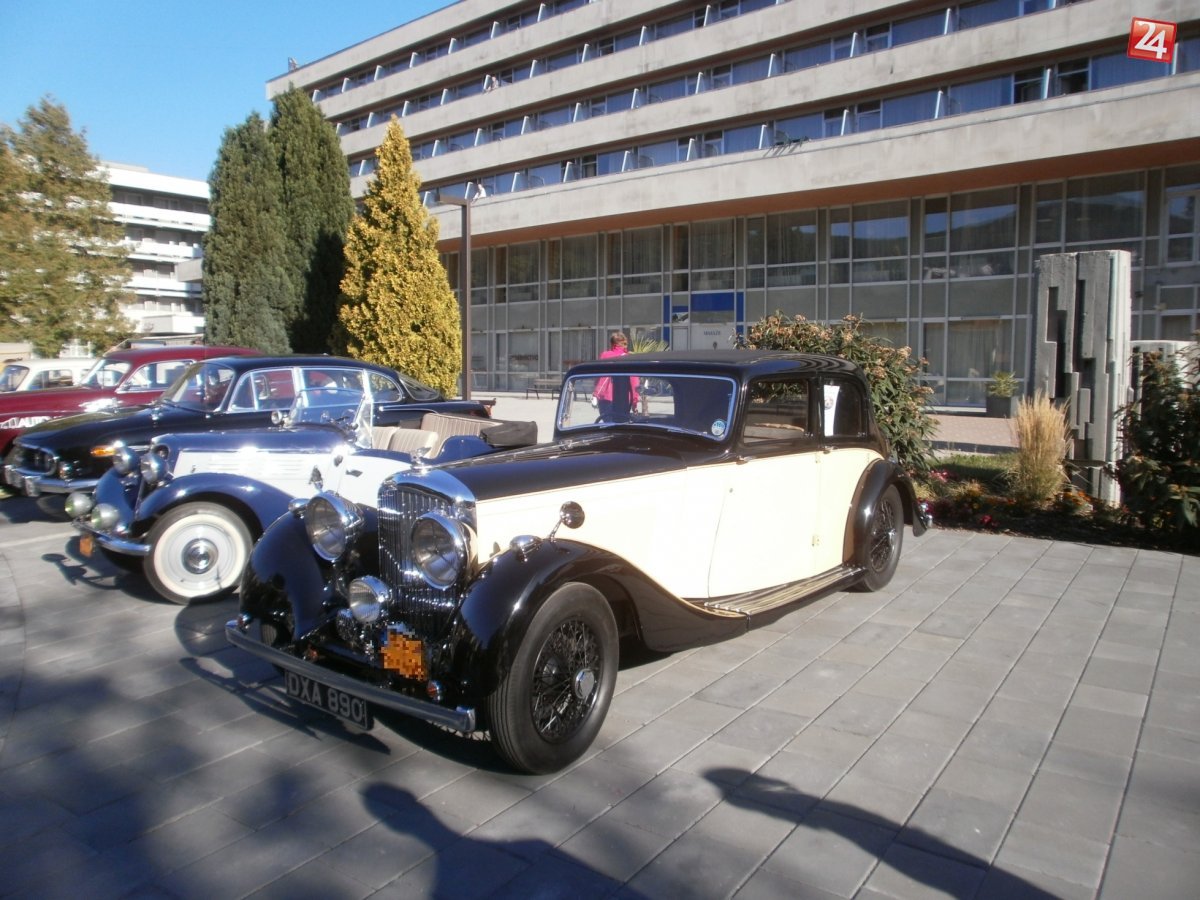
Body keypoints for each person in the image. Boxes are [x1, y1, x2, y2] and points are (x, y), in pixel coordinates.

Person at [592, 331, 639, 421]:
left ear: (612, 343)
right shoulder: (629, 358)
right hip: (624, 399)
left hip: (605, 398)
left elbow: (599, 377)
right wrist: (634, 402)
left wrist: (595, 394)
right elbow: (634, 383)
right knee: (621, 425)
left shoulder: (605, 355)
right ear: (624, 343)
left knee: (607, 424)